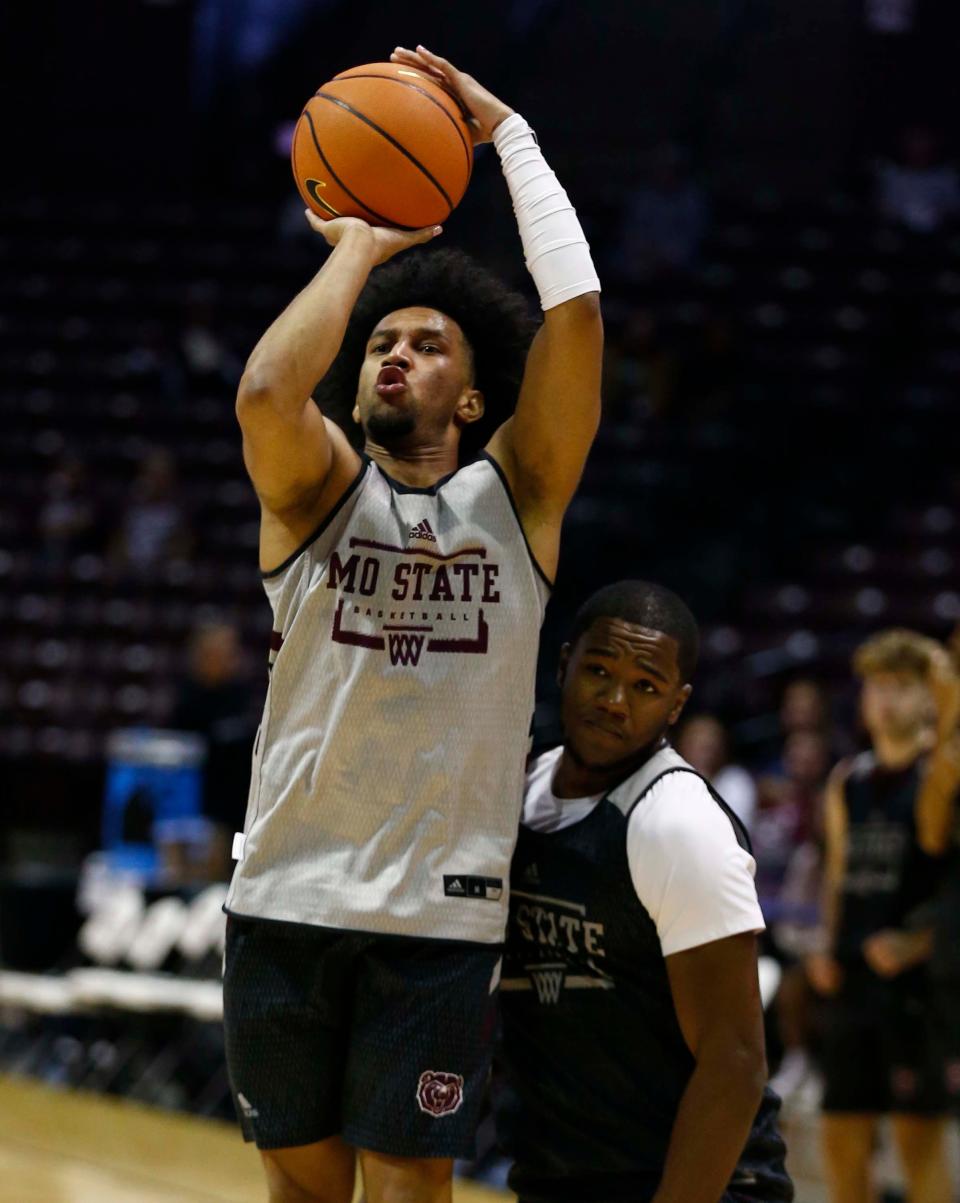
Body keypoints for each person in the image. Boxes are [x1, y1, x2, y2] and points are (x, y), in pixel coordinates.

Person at [222, 44, 603, 1203]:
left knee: (402, 1193)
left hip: (440, 915)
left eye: (427, 343)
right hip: (283, 892)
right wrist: (362, 248)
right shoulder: (317, 489)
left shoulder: (518, 496)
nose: (396, 352)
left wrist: (513, 141)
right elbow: (264, 396)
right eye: (384, 342)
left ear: (474, 394)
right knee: (302, 1192)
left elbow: (578, 318)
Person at [496, 580, 793, 1203]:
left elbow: (735, 1062)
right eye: (598, 671)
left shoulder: (680, 825)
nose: (614, 700)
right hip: (564, 1172)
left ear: (677, 706)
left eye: (646, 687)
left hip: (696, 1185)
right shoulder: (519, 789)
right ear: (562, 664)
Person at [805, 629, 952, 1203]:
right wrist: (824, 942)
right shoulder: (848, 781)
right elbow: (837, 875)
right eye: (875, 686)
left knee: (918, 1145)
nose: (884, 699)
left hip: (919, 985)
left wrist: (918, 943)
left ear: (928, 697)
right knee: (841, 1137)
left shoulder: (941, 777)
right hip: (853, 980)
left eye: (900, 686)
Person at [676, 712, 758, 830]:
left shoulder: (735, 780)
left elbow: (733, 829)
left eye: (708, 744)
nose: (703, 753)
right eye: (695, 742)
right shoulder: (668, 781)